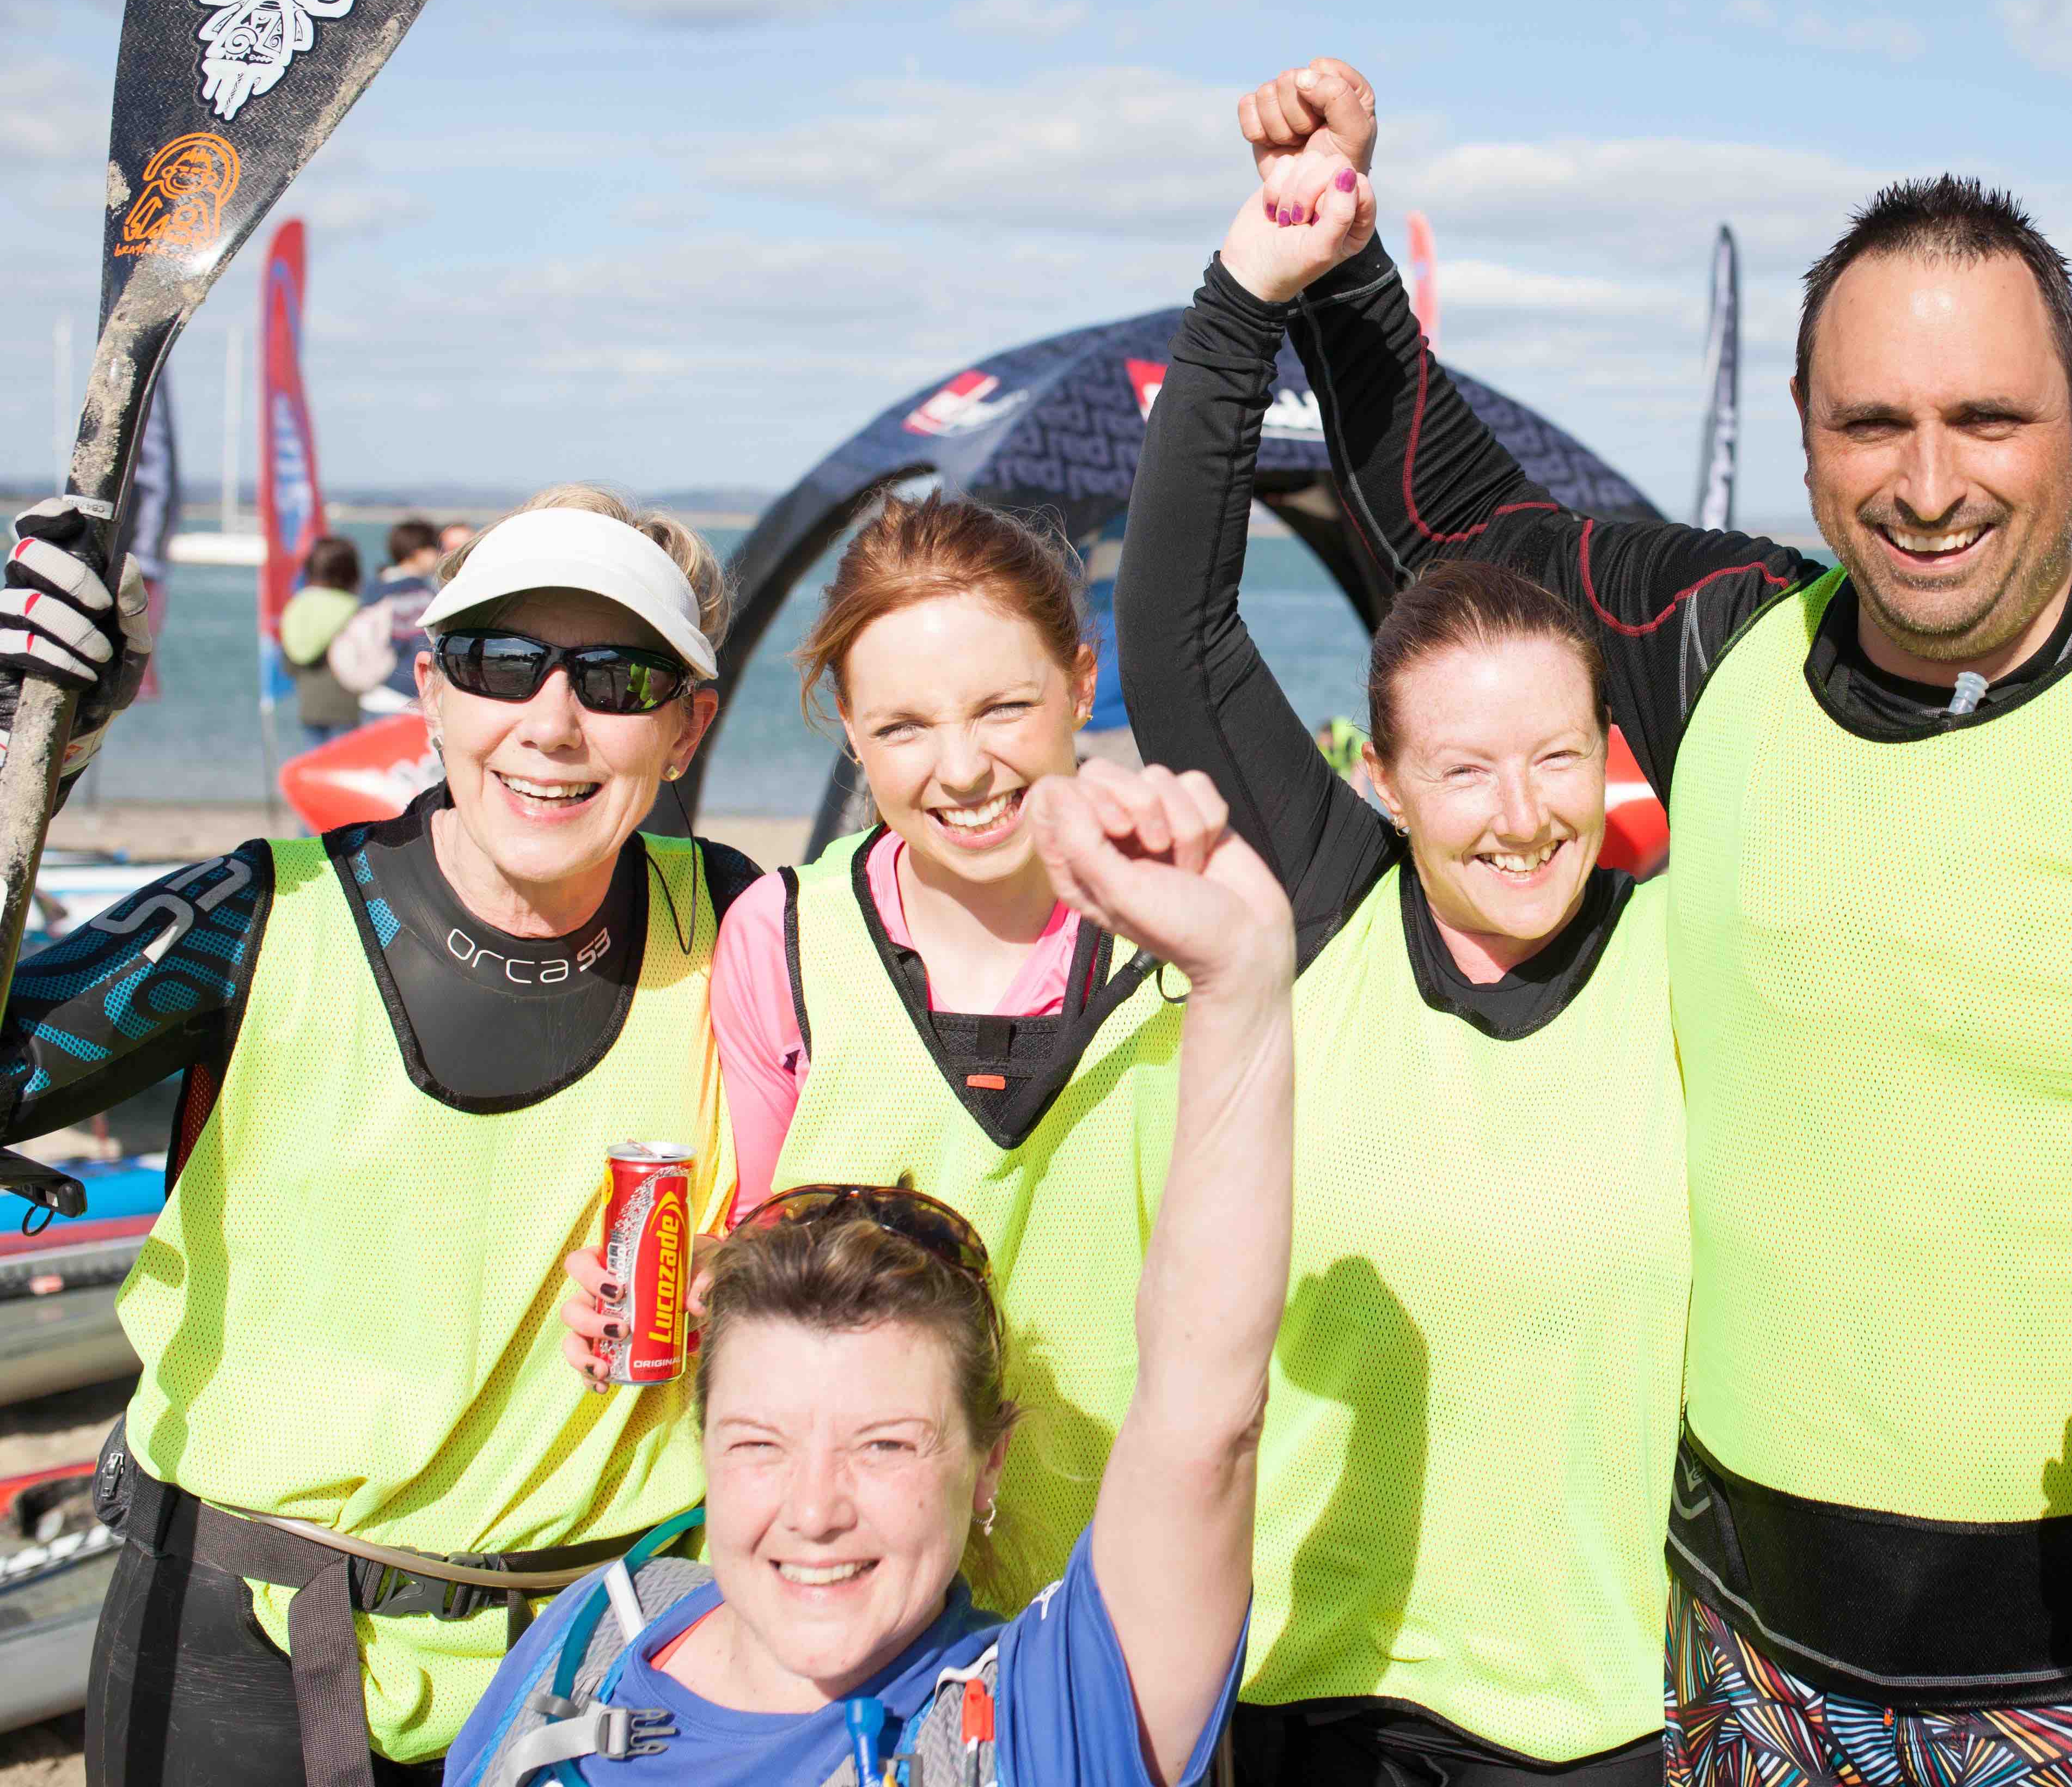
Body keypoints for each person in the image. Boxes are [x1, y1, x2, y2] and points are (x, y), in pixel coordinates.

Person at [1236, 59, 2072, 1784]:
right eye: (1872, 423)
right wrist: (1344, 247)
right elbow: (1458, 525)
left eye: (1991, 421)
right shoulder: (1729, 645)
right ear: (1807, 435)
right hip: (1738, 1669)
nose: (1929, 482)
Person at [0, 485, 763, 1787]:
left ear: (688, 724)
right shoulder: (256, 913)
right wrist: (29, 745)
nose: (552, 722)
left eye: (619, 676)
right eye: (502, 661)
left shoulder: (752, 931)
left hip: (597, 1662)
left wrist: (735, 1280)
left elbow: (887, 1194)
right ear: (431, 688)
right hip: (239, 1639)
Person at [1116, 150, 1686, 1783]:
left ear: (1608, 752)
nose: (1522, 820)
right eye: (1465, 772)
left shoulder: (1686, 959)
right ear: (1383, 770)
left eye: (1558, 759)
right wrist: (1248, 299)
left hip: (1623, 1722)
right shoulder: (1331, 908)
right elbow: (1177, 630)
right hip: (1325, 1710)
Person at [451, 758, 1291, 1787]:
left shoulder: (1023, 1725)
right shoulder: (593, 1641)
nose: (814, 1508)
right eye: (759, 1442)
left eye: (885, 1443)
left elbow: (1204, 1421)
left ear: (988, 1466)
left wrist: (1242, 980)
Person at [561, 492, 1184, 1619]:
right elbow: (766, 1251)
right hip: (854, 1599)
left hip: (1137, 1609)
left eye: (1004, 708)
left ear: (1082, 686)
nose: (961, 770)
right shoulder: (788, 936)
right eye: (901, 727)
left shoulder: (1189, 927)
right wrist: (658, 1291)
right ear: (848, 726)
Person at [333, 516, 448, 712]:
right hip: (403, 695)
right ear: (419, 553)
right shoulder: (417, 594)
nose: (441, 555)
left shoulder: (376, 588)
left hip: (373, 690)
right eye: (435, 549)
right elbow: (422, 646)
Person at [279, 530, 366, 744]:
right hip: (348, 706)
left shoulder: (297, 605)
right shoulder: (353, 608)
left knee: (317, 763)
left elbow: (290, 663)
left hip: (310, 704)